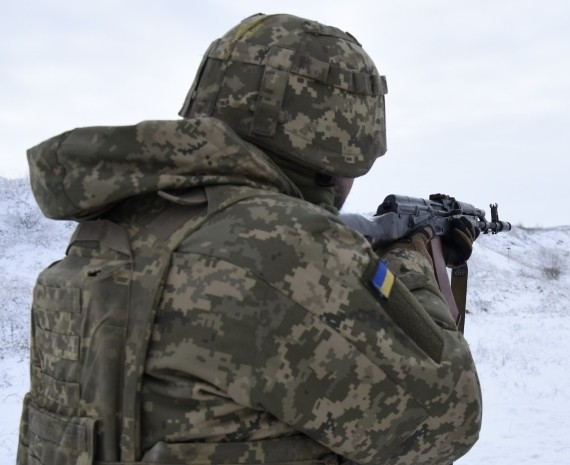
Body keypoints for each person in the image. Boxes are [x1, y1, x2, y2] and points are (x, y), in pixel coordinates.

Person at [17, 13, 482, 465]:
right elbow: (449, 418)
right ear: (342, 145)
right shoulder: (282, 247)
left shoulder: (108, 231)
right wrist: (411, 264)